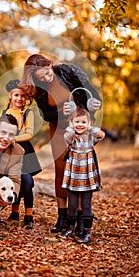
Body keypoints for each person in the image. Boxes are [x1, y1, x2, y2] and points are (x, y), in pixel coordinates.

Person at [20, 53, 102, 233]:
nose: (46, 78)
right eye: (41, 77)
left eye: (47, 72)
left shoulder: (68, 71)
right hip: (58, 130)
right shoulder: (39, 88)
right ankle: (62, 217)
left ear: (50, 64)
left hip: (80, 128)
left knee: (80, 170)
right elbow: (45, 115)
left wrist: (94, 104)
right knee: (61, 171)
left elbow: (92, 93)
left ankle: (81, 219)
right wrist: (59, 111)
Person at [57, 108, 105, 244]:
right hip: (73, 175)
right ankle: (70, 229)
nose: (80, 124)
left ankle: (86, 232)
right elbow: (67, 135)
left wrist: (90, 127)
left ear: (88, 123)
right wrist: (72, 126)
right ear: (72, 123)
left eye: (83, 122)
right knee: (72, 204)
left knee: (86, 204)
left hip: (87, 175)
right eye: (77, 121)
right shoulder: (71, 136)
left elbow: (102, 135)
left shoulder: (90, 136)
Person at [1, 79, 42, 229]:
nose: (19, 99)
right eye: (16, 95)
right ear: (11, 96)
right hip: (8, 152)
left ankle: (29, 215)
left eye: (23, 96)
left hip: (24, 151)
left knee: (27, 182)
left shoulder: (27, 113)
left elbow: (29, 133)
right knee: (13, 180)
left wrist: (13, 138)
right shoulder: (5, 113)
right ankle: (14, 212)